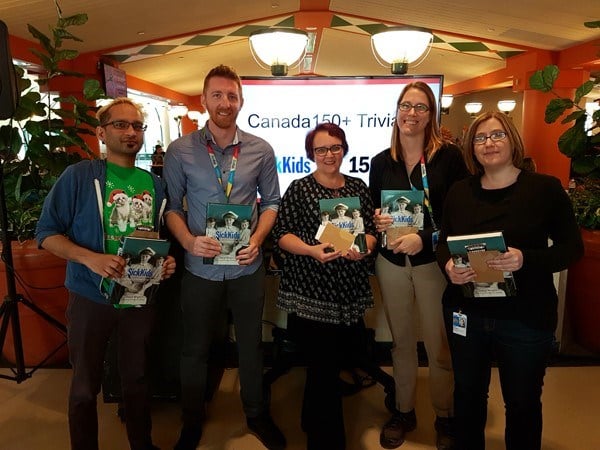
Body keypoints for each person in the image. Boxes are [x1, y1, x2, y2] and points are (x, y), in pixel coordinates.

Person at [35, 97, 176, 450]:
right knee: (85, 386)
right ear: (101, 132)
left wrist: (164, 263)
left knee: (138, 379)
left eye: (137, 126)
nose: (131, 132)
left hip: (139, 295)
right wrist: (90, 259)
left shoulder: (153, 183)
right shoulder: (80, 176)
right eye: (121, 125)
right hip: (90, 295)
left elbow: (152, 238)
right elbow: (46, 234)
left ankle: (141, 444)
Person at [436, 111, 584, 450]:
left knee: (522, 403)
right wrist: (447, 267)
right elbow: (443, 242)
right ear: (471, 147)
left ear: (512, 140)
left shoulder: (544, 189)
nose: (488, 144)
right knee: (468, 397)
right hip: (467, 313)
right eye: (480, 138)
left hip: (525, 318)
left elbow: (571, 249)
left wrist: (525, 259)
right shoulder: (460, 192)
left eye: (497, 135)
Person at [163, 64, 285, 450]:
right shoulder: (180, 150)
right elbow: (171, 208)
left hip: (247, 265)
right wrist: (187, 242)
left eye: (231, 96)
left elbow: (272, 203)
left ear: (241, 101)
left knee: (251, 345)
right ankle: (192, 421)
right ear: (203, 100)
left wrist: (260, 239)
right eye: (217, 95)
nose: (224, 102)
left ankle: (256, 414)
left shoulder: (260, 150)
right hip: (200, 267)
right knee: (194, 348)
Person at [369, 81, 470, 450]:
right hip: (391, 263)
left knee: (439, 344)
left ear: (432, 115)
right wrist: (378, 221)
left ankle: (444, 415)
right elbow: (374, 212)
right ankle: (403, 410)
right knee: (401, 343)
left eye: (420, 107)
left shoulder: (450, 159)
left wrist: (426, 237)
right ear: (396, 112)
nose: (411, 114)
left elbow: (459, 216)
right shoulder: (381, 162)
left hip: (432, 263)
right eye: (405, 106)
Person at [273, 122, 377, 450]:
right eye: (321, 149)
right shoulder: (299, 188)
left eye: (335, 147)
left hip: (348, 290)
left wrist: (366, 246)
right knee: (323, 369)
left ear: (344, 149)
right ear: (311, 154)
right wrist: (311, 250)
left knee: (330, 365)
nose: (329, 155)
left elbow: (372, 231)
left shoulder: (359, 187)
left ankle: (309, 419)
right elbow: (282, 235)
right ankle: (327, 441)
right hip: (311, 292)